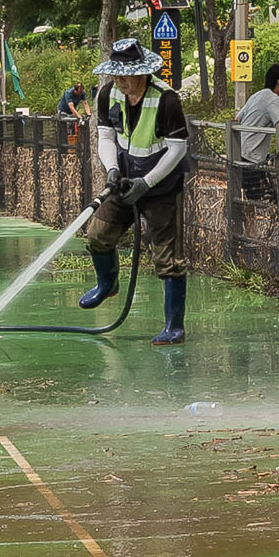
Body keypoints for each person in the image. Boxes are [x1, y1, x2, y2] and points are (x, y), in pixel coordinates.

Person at [77, 38, 192, 345]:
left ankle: (174, 327)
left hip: (162, 185)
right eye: (116, 73)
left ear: (142, 72)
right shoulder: (108, 93)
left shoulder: (166, 99)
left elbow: (177, 149)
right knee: (98, 234)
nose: (120, 80)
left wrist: (147, 183)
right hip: (124, 181)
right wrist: (112, 169)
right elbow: (105, 137)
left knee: (167, 258)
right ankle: (107, 284)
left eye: (126, 74)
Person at [234, 63, 279, 216]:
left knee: (250, 198)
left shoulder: (257, 95)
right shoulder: (272, 99)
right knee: (264, 200)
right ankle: (269, 227)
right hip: (252, 157)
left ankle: (249, 228)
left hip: (241, 152)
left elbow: (237, 119)